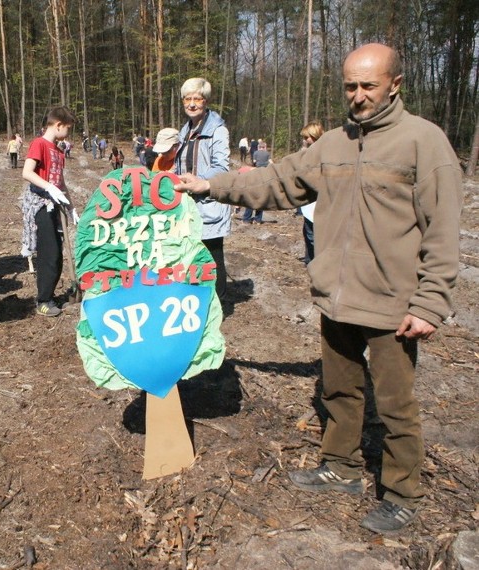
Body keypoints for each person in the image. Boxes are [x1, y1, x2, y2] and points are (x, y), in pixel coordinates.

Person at [173, 43, 462, 533]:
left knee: (394, 404)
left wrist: (431, 303)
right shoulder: (333, 144)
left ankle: (403, 491)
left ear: (395, 84)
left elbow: (442, 228)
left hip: (392, 302)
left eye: (368, 86)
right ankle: (342, 467)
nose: (358, 96)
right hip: (337, 295)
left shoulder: (423, 142)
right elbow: (276, 182)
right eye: (350, 86)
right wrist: (209, 186)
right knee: (340, 389)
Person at [172, 77, 231, 299]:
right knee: (191, 256)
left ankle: (218, 305)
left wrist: (198, 181)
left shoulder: (218, 130)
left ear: (205, 101)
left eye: (197, 98)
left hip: (208, 204)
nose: (192, 104)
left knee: (212, 257)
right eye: (188, 99)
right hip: (188, 205)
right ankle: (196, 300)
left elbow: (221, 167)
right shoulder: (185, 130)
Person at [20, 106, 79, 317]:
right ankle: (43, 300)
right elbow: (27, 172)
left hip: (55, 204)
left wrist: (71, 208)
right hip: (40, 204)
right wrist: (48, 187)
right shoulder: (39, 144)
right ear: (58, 125)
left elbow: (60, 183)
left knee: (56, 253)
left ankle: (50, 295)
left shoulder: (58, 150)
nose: (68, 134)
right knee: (49, 253)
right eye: (68, 129)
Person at [298, 122, 324, 264]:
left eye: (307, 137)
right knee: (307, 232)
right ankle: (310, 259)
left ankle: (317, 262)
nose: (305, 140)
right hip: (309, 203)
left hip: (316, 202)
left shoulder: (319, 151)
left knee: (312, 234)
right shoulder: (310, 150)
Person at [240, 142, 271, 223]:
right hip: (265, 174)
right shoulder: (267, 153)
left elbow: (254, 161)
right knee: (261, 198)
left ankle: (246, 219)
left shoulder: (256, 153)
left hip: (256, 174)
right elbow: (271, 162)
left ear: (258, 147)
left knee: (252, 196)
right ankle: (258, 219)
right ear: (264, 147)